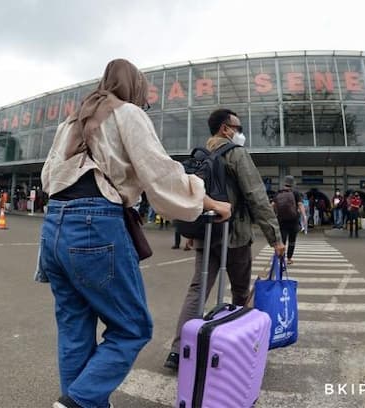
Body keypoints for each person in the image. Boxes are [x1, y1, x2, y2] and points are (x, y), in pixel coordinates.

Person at [38, 59, 231, 408]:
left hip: (54, 225)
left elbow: (47, 177)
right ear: (134, 87)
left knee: (74, 329)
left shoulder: (70, 122)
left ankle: (86, 401)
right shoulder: (127, 113)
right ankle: (78, 402)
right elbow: (160, 173)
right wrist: (210, 203)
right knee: (132, 328)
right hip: (95, 224)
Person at [164, 108, 285, 371]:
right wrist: (275, 237)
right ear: (224, 129)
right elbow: (256, 196)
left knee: (198, 290)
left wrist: (190, 232)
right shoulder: (236, 154)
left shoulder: (200, 155)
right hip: (235, 233)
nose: (240, 132)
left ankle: (178, 350)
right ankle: (236, 346)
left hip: (207, 233)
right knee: (241, 291)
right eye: (237, 127)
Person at [272, 175, 306, 264]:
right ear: (292, 183)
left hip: (281, 220)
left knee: (282, 240)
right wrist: (304, 216)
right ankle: (289, 259)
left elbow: (272, 205)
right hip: (293, 220)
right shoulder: (295, 193)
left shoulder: (278, 192)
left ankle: (281, 258)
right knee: (292, 240)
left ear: (285, 182)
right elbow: (300, 204)